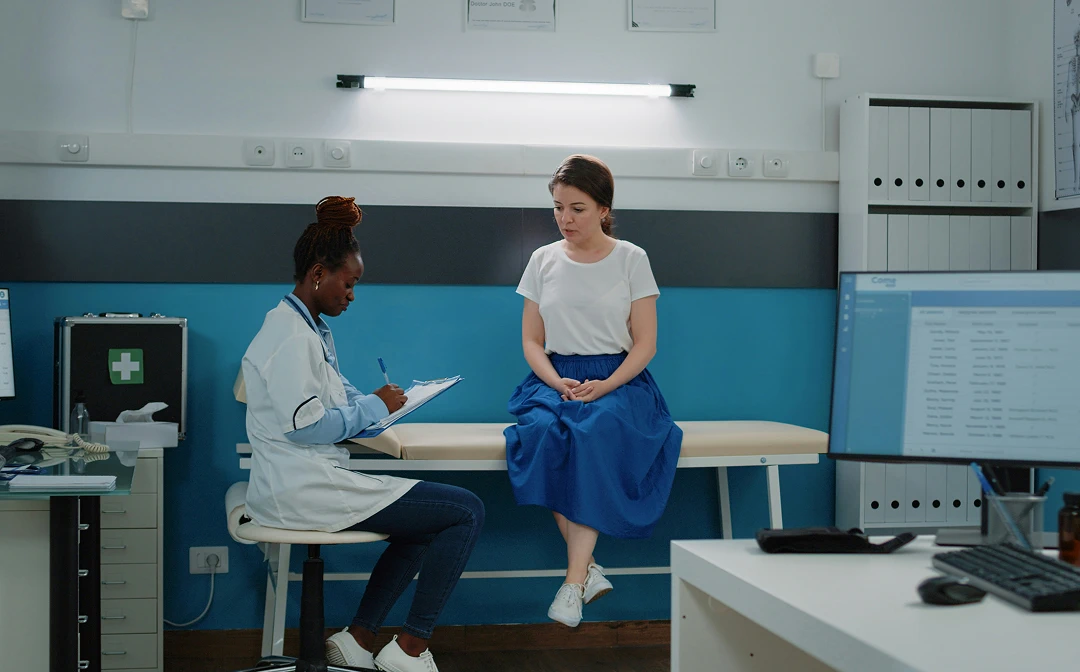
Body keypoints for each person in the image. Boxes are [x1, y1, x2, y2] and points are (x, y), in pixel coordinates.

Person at [242, 196, 484, 672]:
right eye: (348, 283)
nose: (351, 295)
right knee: (465, 511)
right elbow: (308, 426)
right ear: (318, 274)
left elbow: (335, 399)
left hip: (309, 479)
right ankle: (410, 650)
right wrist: (374, 405)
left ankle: (358, 640)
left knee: (431, 521)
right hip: (300, 487)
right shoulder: (289, 336)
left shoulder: (308, 329)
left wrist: (385, 405)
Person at [503, 155, 683, 628]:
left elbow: (645, 344)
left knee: (593, 430)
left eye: (577, 208)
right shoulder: (542, 259)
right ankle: (587, 571)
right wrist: (555, 381)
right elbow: (531, 341)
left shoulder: (631, 258)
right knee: (543, 431)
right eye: (558, 207)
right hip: (556, 377)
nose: (565, 219)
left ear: (604, 208)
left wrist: (605, 385)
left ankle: (570, 582)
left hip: (620, 380)